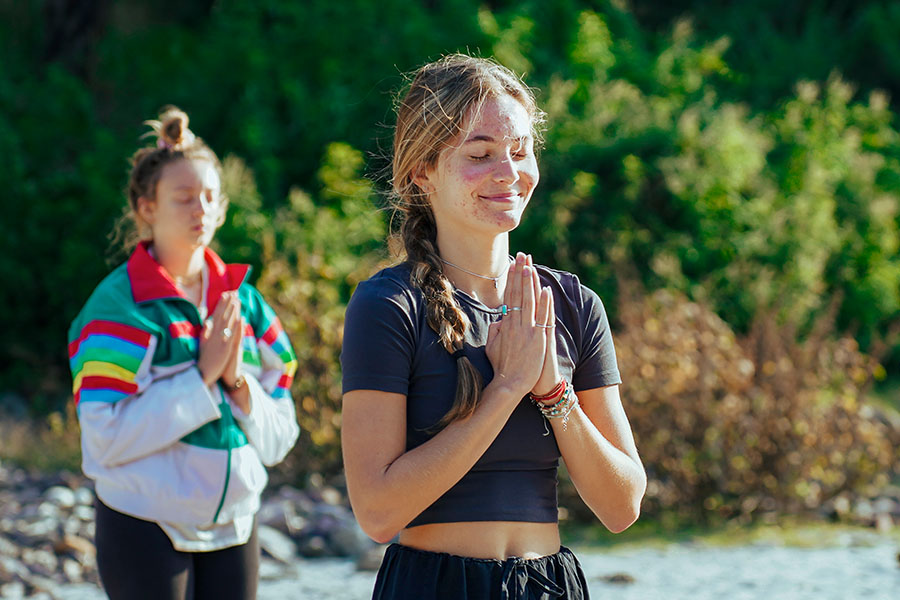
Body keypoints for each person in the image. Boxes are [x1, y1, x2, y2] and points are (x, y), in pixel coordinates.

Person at [340, 54, 647, 599]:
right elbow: (378, 513)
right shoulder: (388, 306)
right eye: (480, 155)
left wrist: (554, 391)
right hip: (434, 586)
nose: (509, 173)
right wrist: (505, 389)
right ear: (423, 171)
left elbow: (622, 506)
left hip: (548, 585)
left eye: (520, 151)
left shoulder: (574, 304)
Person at [67, 107, 299, 600]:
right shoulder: (119, 309)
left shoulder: (248, 306)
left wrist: (236, 382)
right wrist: (202, 376)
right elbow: (103, 439)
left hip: (236, 525)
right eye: (184, 197)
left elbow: (279, 442)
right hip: (143, 524)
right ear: (146, 206)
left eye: (210, 197)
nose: (201, 210)